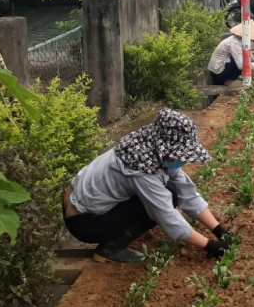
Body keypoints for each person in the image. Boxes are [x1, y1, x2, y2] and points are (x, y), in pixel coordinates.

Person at [63, 109, 232, 263]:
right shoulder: (141, 168)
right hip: (84, 222)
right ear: (165, 147)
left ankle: (113, 238)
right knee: (159, 203)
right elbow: (165, 215)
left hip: (85, 205)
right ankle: (109, 249)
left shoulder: (151, 148)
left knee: (172, 192)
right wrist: (209, 245)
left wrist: (218, 229)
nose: (184, 159)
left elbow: (185, 191)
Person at [207, 20, 254, 85]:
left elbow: (249, 56)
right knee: (240, 59)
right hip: (218, 71)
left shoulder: (243, 41)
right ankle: (230, 80)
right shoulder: (235, 43)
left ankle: (233, 78)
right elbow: (241, 65)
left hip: (223, 66)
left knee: (244, 56)